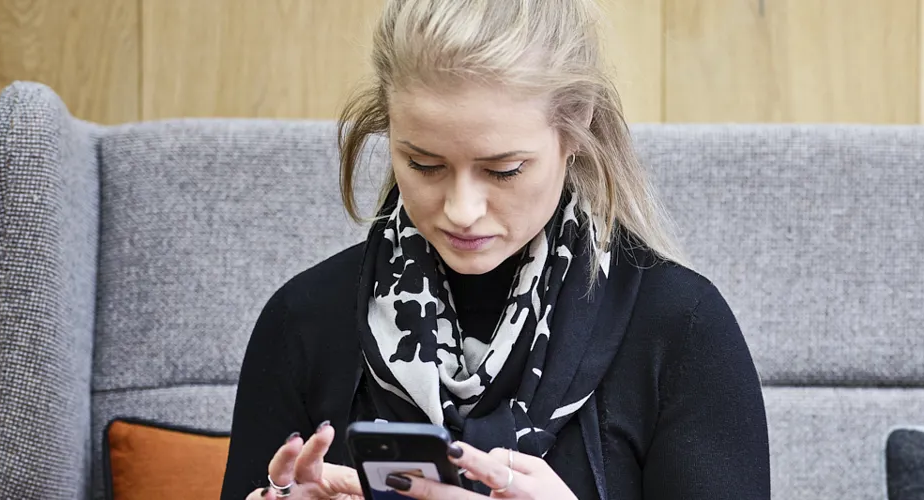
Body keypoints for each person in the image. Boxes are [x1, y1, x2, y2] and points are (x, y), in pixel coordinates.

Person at [217, 0, 770, 498]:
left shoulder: (680, 330)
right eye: (423, 163)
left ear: (574, 127)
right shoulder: (303, 322)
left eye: (503, 170)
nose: (461, 209)